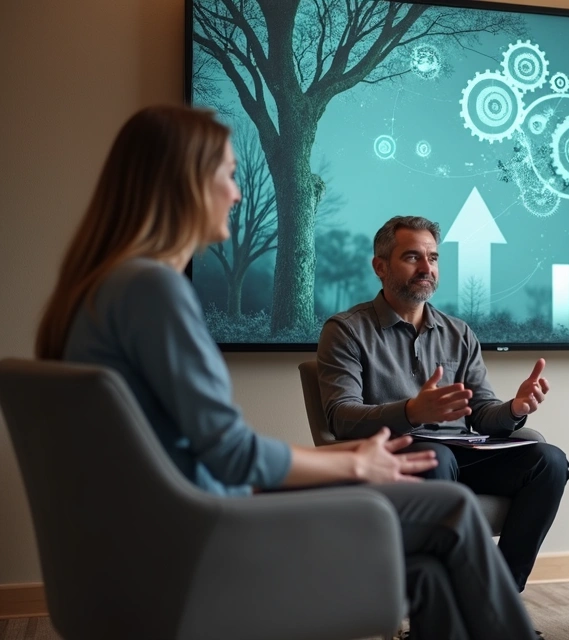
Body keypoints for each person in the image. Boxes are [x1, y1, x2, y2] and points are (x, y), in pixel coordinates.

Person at [35, 105, 538, 640]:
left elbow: (206, 448)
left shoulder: (96, 291)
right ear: (183, 181)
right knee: (455, 509)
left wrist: (351, 454)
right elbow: (232, 454)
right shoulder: (151, 291)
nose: (236, 192)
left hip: (163, 526)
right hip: (206, 531)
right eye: (227, 174)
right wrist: (352, 466)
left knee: (431, 575)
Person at [316, 215, 569, 592]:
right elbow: (341, 417)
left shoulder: (459, 332)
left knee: (549, 461)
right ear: (380, 266)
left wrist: (515, 408)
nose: (426, 268)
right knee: (438, 459)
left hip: (460, 454)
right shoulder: (346, 330)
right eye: (413, 257)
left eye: (433, 258)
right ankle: (436, 611)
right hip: (396, 456)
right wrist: (410, 412)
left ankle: (497, 594)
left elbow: (482, 413)